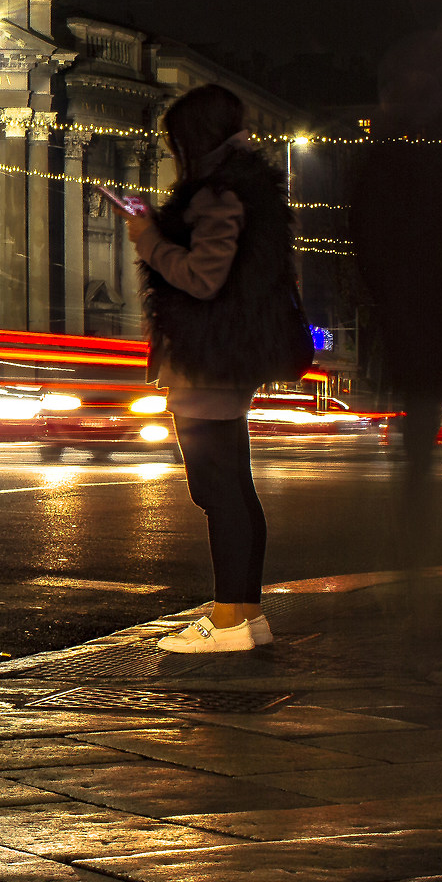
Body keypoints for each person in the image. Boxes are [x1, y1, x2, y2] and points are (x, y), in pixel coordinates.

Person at [113, 83, 300, 654]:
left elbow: (203, 277)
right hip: (225, 357)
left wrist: (148, 239)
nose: (173, 154)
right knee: (234, 490)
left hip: (208, 360)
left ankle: (228, 622)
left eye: (176, 143)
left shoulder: (218, 194)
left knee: (218, 493)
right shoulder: (241, 186)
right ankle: (246, 615)